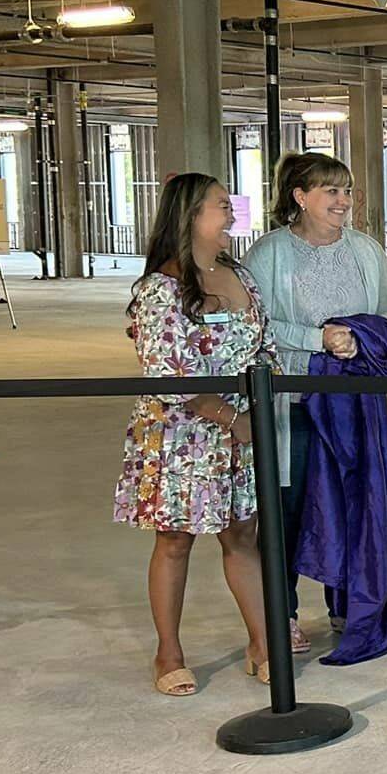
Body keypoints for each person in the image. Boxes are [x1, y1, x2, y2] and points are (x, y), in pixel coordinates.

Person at [113, 173, 277, 696]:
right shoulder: (160, 289)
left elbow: (265, 345)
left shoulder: (240, 275)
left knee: (242, 536)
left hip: (241, 433)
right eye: (221, 206)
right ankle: (169, 654)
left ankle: (263, 645)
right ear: (190, 215)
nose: (231, 215)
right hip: (181, 435)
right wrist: (231, 419)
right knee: (175, 540)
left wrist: (257, 406)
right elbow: (167, 374)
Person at [244, 151, 387, 648]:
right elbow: (253, 323)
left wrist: (359, 338)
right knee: (290, 509)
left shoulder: (366, 250)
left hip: (354, 401)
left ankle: (352, 604)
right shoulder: (269, 253)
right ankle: (283, 614)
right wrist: (318, 339)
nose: (343, 201)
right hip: (293, 401)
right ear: (300, 197)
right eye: (331, 191)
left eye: (347, 191)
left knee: (355, 501)